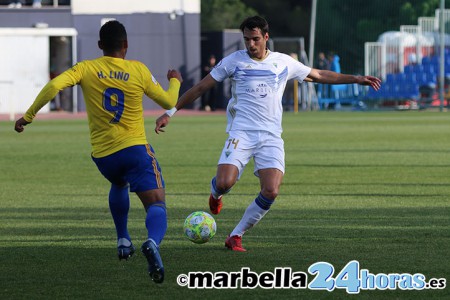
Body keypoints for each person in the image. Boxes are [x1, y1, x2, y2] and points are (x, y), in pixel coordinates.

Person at [155, 16, 380, 252]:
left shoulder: (283, 62)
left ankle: (236, 235)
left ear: (265, 37)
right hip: (241, 132)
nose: (250, 45)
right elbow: (201, 87)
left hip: (271, 136)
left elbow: (319, 75)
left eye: (254, 39)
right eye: (246, 40)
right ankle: (216, 193)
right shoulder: (233, 62)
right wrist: (170, 113)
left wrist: (356, 78)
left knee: (271, 190)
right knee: (224, 183)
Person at [14, 20, 182, 284]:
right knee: (157, 203)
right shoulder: (138, 69)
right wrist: (174, 81)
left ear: (100, 46)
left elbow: (54, 85)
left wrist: (28, 116)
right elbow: (169, 101)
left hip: (104, 157)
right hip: (135, 149)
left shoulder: (86, 68)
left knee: (118, 182)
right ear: (126, 45)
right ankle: (152, 242)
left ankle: (123, 240)